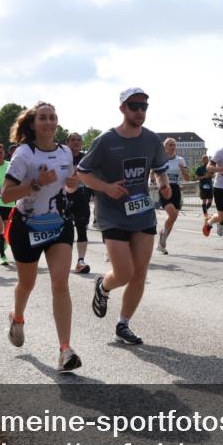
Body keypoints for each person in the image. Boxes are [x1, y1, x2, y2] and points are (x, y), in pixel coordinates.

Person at [76, 87, 171, 345]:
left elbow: (160, 169)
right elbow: (82, 172)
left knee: (140, 273)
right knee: (124, 272)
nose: (140, 111)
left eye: (144, 107)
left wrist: (164, 183)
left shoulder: (151, 139)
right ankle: (103, 286)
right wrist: (106, 187)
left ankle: (123, 324)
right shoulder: (106, 140)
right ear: (122, 108)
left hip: (142, 213)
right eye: (134, 106)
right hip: (112, 213)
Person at [1, 102, 82, 373]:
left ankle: (65, 350)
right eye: (43, 118)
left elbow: (68, 188)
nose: (49, 122)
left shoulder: (65, 152)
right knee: (27, 283)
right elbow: (6, 195)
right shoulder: (24, 154)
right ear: (33, 124)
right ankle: (17, 317)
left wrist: (73, 185)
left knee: (61, 283)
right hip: (27, 226)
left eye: (52, 117)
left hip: (59, 224)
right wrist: (37, 183)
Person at [155, 137, 189, 254]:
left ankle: (161, 244)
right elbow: (153, 174)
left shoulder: (180, 160)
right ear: (165, 147)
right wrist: (158, 183)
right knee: (173, 214)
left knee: (173, 218)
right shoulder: (161, 159)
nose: (173, 147)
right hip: (165, 188)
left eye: (174, 145)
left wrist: (183, 170)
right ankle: (163, 234)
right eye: (170, 145)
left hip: (176, 189)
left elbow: (187, 178)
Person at [66, 132, 93, 273]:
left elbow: (93, 176)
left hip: (82, 198)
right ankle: (64, 261)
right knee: (66, 232)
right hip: (64, 199)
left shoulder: (86, 159)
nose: (76, 142)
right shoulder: (62, 157)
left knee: (82, 230)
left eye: (78, 140)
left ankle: (80, 261)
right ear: (67, 143)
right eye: (72, 140)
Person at [195, 155, 213, 220]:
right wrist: (204, 177)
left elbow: (214, 175)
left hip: (210, 185)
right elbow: (196, 177)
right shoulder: (200, 168)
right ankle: (205, 214)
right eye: (204, 159)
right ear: (202, 160)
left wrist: (211, 175)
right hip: (203, 186)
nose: (205, 160)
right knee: (204, 201)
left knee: (210, 201)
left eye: (206, 159)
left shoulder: (210, 167)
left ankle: (205, 210)